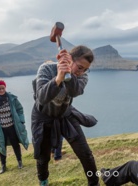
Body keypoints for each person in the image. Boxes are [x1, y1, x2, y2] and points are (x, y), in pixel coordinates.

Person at [31, 45, 100, 186]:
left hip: (65, 114)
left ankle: (94, 183)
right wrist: (58, 78)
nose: (82, 72)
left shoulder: (82, 76)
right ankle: (43, 181)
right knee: (43, 157)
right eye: (80, 67)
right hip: (43, 116)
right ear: (70, 59)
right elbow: (42, 97)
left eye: (86, 69)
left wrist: (69, 76)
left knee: (85, 153)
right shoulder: (46, 69)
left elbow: (75, 91)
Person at [0, 79, 29, 174]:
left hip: (12, 127)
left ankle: (19, 162)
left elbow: (20, 109)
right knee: (1, 146)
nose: (1, 90)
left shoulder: (11, 98)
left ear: (5, 88)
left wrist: (21, 120)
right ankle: (3, 165)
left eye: (3, 88)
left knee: (16, 144)